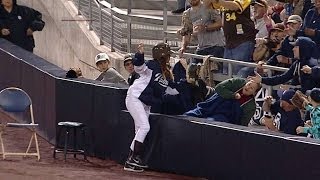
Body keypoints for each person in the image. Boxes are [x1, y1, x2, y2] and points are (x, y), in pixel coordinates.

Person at [124, 43, 178, 172]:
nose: (169, 58)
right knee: (145, 127)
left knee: (139, 130)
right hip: (135, 97)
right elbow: (138, 67)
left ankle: (130, 161)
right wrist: (140, 54)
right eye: (168, 55)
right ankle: (134, 158)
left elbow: (173, 90)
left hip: (146, 103)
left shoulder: (166, 73)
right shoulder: (152, 65)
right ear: (163, 56)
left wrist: (186, 82)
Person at [250, 37, 319, 94]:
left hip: (315, 96)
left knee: (289, 94)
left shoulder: (313, 63)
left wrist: (312, 71)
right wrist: (262, 80)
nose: (293, 49)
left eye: (296, 47)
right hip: (303, 93)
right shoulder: (297, 63)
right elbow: (283, 78)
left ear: (303, 48)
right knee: (282, 95)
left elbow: (308, 87)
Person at [185, 78, 261, 126]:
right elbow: (219, 87)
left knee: (210, 123)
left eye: (251, 88)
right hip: (211, 106)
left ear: (254, 93)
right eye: (249, 84)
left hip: (224, 117)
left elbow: (243, 123)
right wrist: (233, 95)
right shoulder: (238, 82)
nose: (248, 87)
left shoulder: (251, 106)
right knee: (189, 115)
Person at [210, 0, 256, 76]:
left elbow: (235, 6)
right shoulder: (223, 1)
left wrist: (218, 1)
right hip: (229, 42)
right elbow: (209, 4)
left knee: (237, 74)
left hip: (243, 41)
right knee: (226, 74)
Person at [178, 0, 225, 64]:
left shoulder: (209, 7)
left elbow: (220, 23)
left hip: (216, 46)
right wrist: (183, 47)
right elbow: (187, 32)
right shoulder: (187, 14)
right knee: (193, 70)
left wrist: (205, 28)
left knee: (214, 70)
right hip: (201, 47)